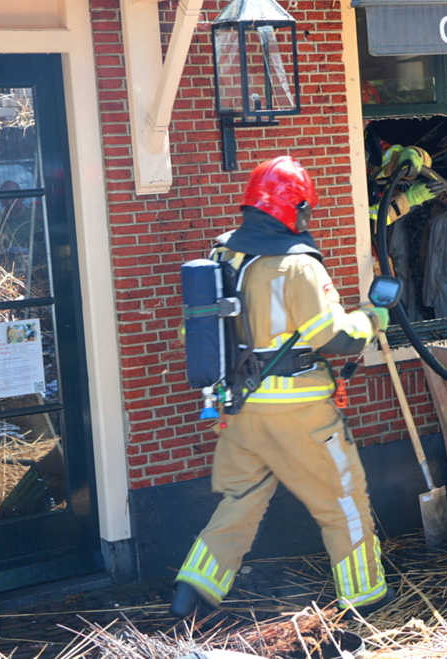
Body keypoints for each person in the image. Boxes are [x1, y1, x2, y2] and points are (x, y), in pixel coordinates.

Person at [171, 156, 394, 618]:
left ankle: (193, 589)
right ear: (294, 209)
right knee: (344, 502)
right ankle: (366, 597)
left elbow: (193, 332)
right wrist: (374, 316)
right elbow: (334, 338)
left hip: (239, 410)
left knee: (242, 499)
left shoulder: (222, 255)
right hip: (301, 415)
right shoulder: (298, 267)